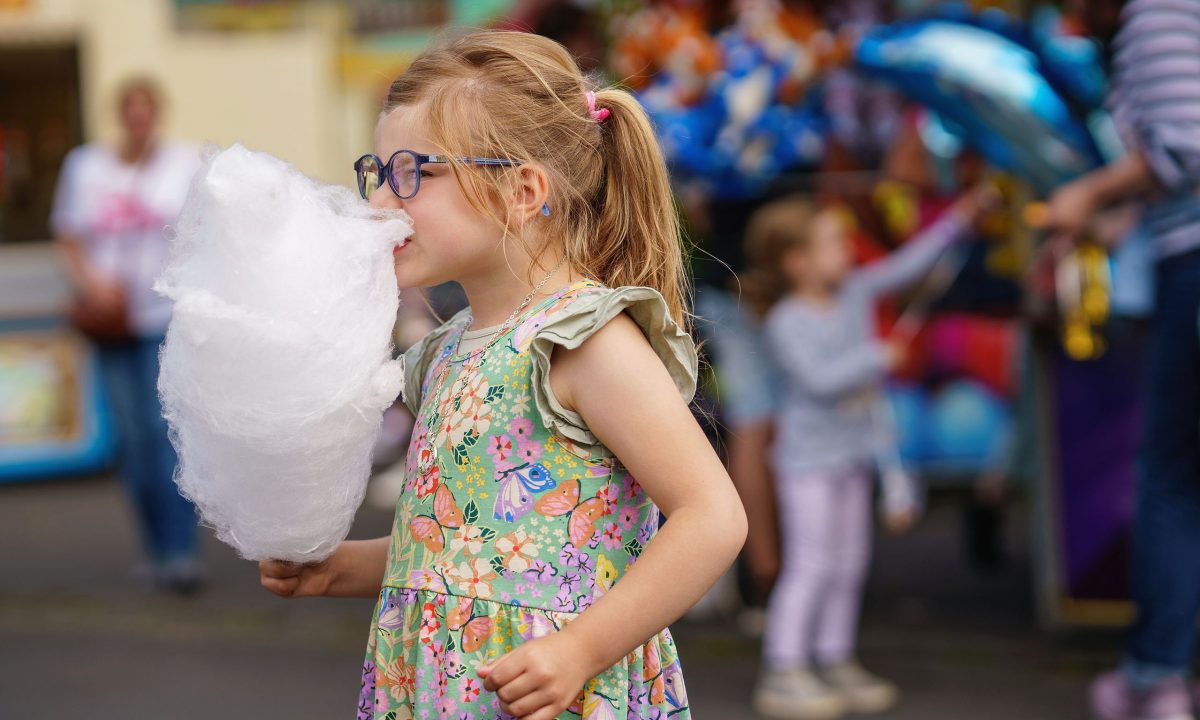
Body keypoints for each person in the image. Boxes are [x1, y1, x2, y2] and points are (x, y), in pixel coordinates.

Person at [259, 30, 747, 720]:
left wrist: (579, 649)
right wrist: (339, 567)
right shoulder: (446, 348)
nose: (380, 204)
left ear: (522, 190)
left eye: (413, 174)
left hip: (554, 694)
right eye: (377, 172)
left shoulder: (582, 341)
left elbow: (712, 517)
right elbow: (455, 550)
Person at [750, 190, 991, 720]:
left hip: (852, 458)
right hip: (806, 466)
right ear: (798, 262)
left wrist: (954, 223)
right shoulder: (786, 320)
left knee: (849, 563)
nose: (849, 253)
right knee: (810, 565)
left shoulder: (855, 292)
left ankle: (834, 659)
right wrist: (875, 355)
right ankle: (784, 668)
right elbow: (817, 381)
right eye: (834, 243)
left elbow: (906, 267)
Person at [1044, 1, 1200, 717]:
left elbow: (1186, 144)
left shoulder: (1157, 14)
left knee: (1172, 478)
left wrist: (1088, 190)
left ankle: (1157, 675)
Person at [50, 76, 204, 593]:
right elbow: (68, 236)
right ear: (119, 115)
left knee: (167, 437)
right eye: (130, 111)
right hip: (110, 321)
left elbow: (205, 234)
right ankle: (156, 547)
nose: (139, 120)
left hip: (164, 321)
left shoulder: (183, 165)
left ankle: (181, 555)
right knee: (132, 441)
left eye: (147, 110)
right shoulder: (85, 166)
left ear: (157, 113)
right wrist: (94, 285)